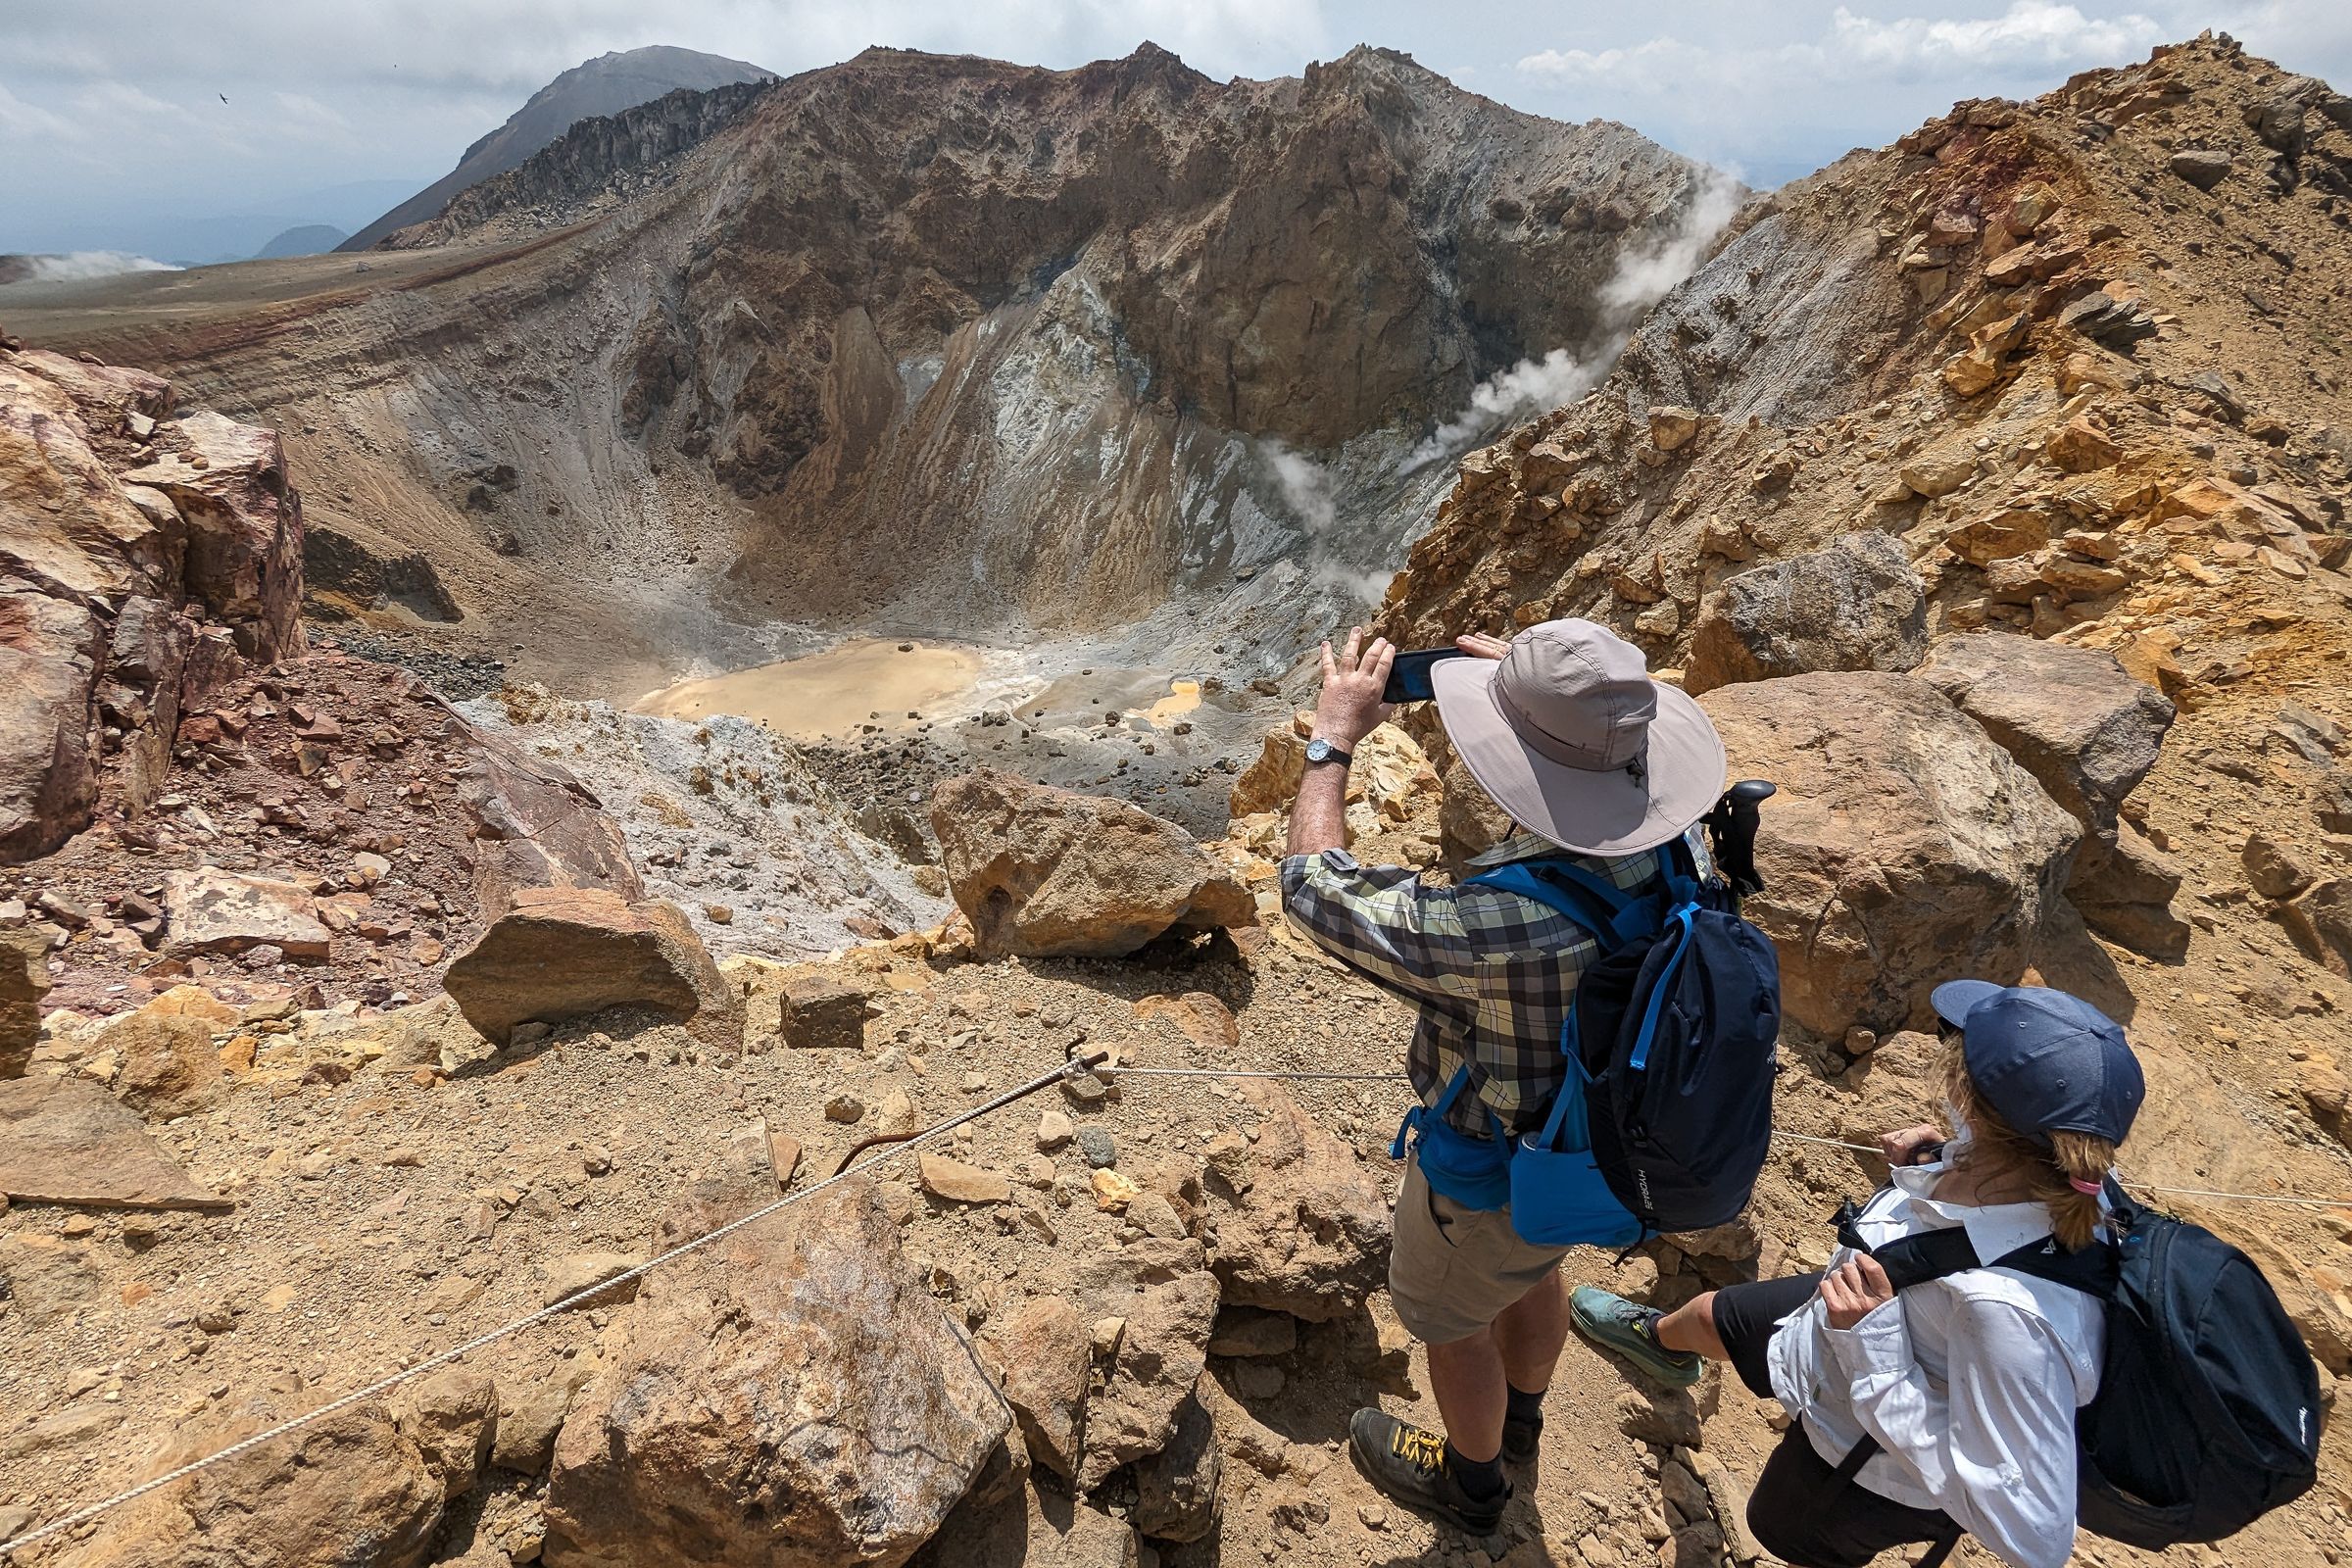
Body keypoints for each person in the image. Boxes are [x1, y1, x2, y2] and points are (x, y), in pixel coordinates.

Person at [1280, 618, 1729, 1534]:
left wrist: (1332, 739)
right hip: (1593, 1151)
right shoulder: (1687, 846)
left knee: (1452, 1323)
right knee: (1532, 1270)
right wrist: (1547, 705)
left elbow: (1311, 890)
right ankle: (1522, 1422)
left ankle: (1475, 1485)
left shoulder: (1505, 927)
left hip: (1488, 1171)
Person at [1569, 982, 2146, 1568]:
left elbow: (2036, 1535)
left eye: (1955, 1048)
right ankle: (1660, 1342)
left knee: (1777, 1529)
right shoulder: (2051, 1169)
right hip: (1846, 1322)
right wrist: (1944, 1157)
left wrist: (1878, 1353)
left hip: (1873, 1455)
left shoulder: (2009, 1315)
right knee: (1713, 1313)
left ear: (1977, 1103)